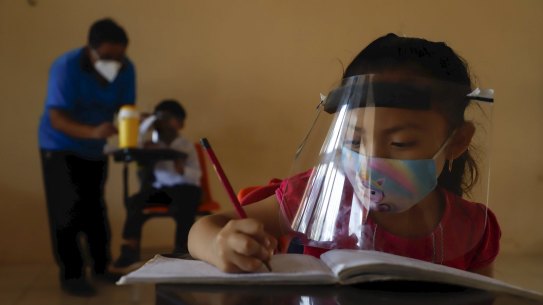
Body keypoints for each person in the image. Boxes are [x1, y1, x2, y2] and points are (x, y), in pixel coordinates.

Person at [188, 33, 501, 276]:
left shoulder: (474, 229)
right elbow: (202, 229)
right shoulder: (313, 195)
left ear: (458, 142)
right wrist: (220, 246)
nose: (371, 160)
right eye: (353, 140)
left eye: (401, 143)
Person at [38, 18, 136, 296]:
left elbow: (126, 108)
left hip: (95, 150)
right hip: (58, 147)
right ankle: (72, 275)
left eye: (119, 57)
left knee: (95, 210)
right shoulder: (65, 67)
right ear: (89, 50)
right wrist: (93, 131)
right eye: (106, 57)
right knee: (66, 212)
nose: (114, 63)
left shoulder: (126, 69)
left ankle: (102, 267)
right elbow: (56, 117)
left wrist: (133, 130)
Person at [112, 99, 202, 269]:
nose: (165, 122)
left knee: (186, 204)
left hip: (186, 188)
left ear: (180, 123)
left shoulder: (186, 146)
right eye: (161, 118)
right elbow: (134, 146)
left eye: (170, 118)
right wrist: (146, 122)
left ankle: (182, 250)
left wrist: (182, 170)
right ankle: (129, 249)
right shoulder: (151, 143)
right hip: (163, 192)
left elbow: (196, 176)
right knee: (135, 201)